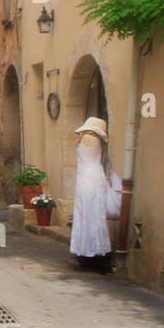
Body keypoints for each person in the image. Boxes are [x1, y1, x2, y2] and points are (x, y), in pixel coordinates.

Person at [70, 117, 113, 273]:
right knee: (93, 215)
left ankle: (89, 251)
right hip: (92, 178)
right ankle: (94, 251)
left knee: (89, 215)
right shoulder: (91, 138)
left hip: (86, 179)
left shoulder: (85, 138)